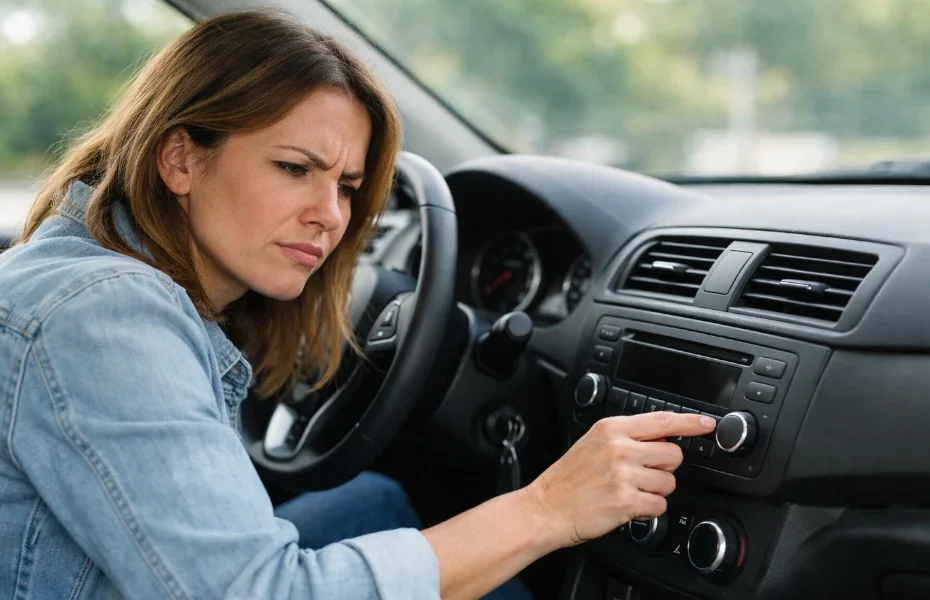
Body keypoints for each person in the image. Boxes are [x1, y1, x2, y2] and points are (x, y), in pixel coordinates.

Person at [0, 10, 716, 600]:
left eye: (347, 185)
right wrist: (548, 508)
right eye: (294, 169)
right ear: (180, 159)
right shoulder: (105, 316)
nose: (331, 216)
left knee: (378, 499)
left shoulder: (91, 274)